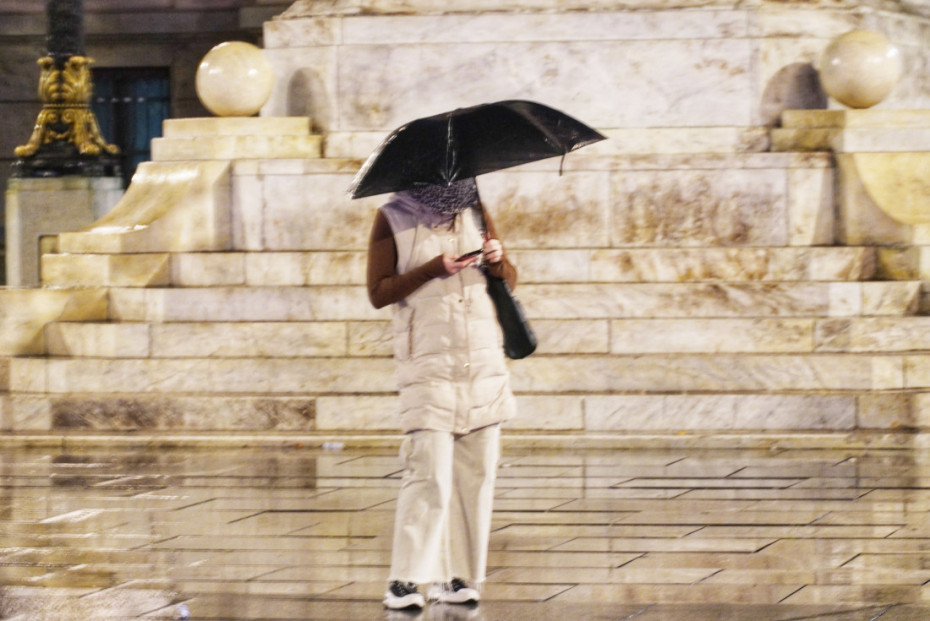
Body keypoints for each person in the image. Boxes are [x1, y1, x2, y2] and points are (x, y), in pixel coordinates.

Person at [366, 178, 518, 610]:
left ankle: (455, 577)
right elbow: (378, 292)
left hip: (480, 363)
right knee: (428, 473)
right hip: (429, 364)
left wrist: (497, 261)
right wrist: (432, 268)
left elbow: (509, 279)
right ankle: (405, 579)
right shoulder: (392, 218)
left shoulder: (474, 210)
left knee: (477, 474)